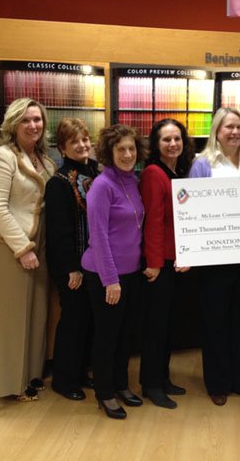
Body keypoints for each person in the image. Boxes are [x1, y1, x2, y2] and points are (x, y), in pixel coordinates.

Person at [189, 108, 240, 406]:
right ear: (217, 131)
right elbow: (192, 211)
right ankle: (218, 383)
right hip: (215, 259)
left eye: (238, 127)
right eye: (228, 127)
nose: (234, 132)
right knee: (215, 322)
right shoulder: (201, 164)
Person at [0, 98, 56, 402]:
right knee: (12, 316)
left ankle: (31, 376)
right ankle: (12, 384)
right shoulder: (2, 157)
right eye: (25, 120)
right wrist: (22, 248)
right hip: (6, 245)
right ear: (13, 123)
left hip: (39, 245)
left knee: (36, 313)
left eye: (37, 120)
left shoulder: (44, 160)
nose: (33, 125)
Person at [81, 124, 146, 420]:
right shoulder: (102, 185)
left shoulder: (133, 181)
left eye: (132, 148)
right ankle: (105, 393)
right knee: (107, 337)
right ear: (109, 152)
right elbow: (99, 236)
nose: (128, 154)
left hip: (132, 273)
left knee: (126, 335)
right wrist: (111, 280)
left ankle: (121, 384)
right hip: (106, 275)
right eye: (121, 149)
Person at [139, 118, 194, 409]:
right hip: (159, 264)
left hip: (177, 261)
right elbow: (153, 222)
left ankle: (163, 378)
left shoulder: (178, 171)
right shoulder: (153, 173)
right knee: (155, 327)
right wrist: (155, 262)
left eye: (177, 139)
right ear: (155, 144)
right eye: (166, 139)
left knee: (169, 325)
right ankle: (151, 384)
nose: (173, 144)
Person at [44, 118, 99, 401]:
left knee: (89, 320)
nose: (82, 145)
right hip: (72, 265)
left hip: (95, 263)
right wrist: (71, 269)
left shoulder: (96, 174)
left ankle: (80, 372)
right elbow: (59, 233)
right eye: (74, 141)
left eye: (85, 139)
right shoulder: (58, 182)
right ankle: (64, 380)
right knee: (73, 320)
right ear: (62, 149)